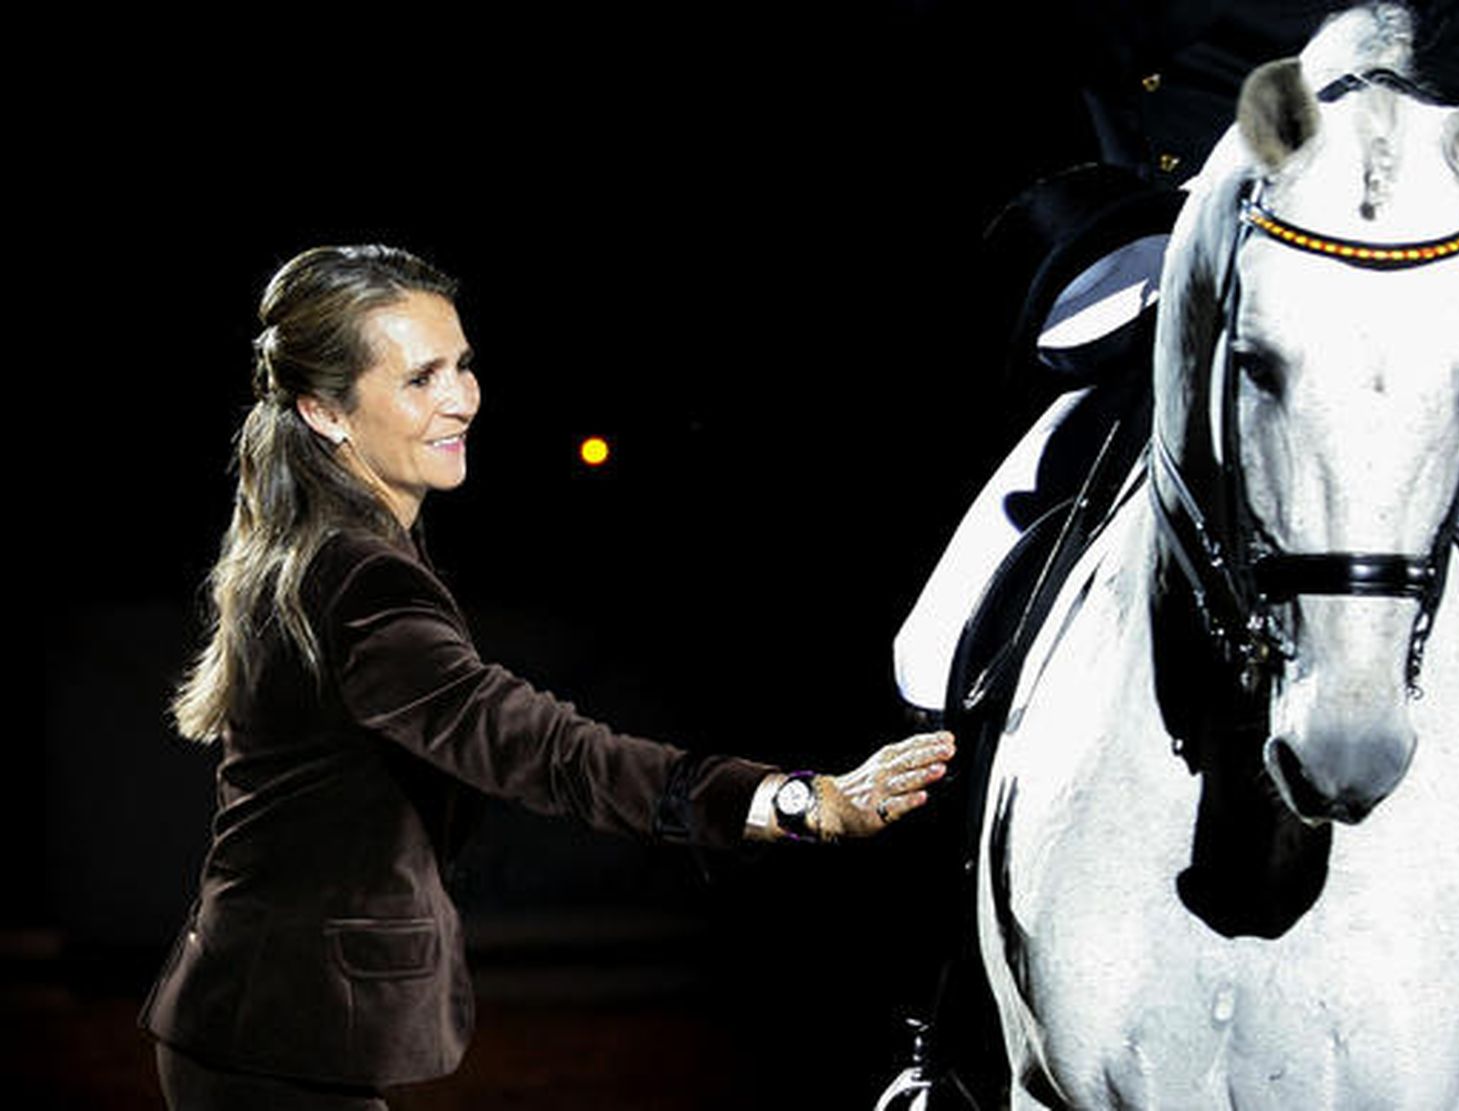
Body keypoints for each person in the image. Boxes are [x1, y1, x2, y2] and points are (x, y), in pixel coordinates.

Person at [139, 244, 955, 1110]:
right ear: (325, 411)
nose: (461, 398)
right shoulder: (360, 575)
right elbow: (550, 750)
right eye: (419, 378)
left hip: (256, 1021)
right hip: (273, 1040)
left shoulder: (327, 547)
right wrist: (794, 801)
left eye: (461, 365)